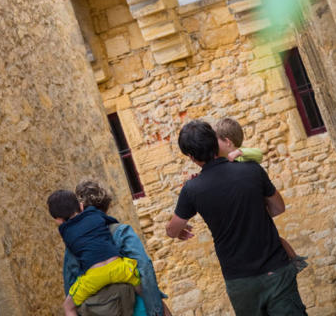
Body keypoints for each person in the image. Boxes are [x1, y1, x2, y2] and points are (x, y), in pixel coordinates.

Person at [166, 120, 307, 316]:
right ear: (215, 142)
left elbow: (172, 231)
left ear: (191, 157)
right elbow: (278, 208)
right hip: (276, 270)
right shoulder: (251, 170)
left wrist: (181, 230)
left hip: (240, 281)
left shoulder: (192, 189)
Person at [213, 117, 308, 272]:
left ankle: (294, 259)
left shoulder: (242, 155)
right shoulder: (222, 160)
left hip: (255, 202)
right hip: (247, 202)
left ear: (228, 142)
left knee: (273, 237)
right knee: (268, 236)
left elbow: (258, 154)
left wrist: (239, 152)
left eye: (217, 141)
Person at [63, 179, 169, 316]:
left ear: (80, 209)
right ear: (107, 206)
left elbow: (70, 284)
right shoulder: (121, 231)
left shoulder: (75, 241)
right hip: (136, 308)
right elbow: (144, 267)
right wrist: (156, 308)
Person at [48, 189, 141, 316]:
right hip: (119, 268)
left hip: (94, 276)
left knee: (68, 307)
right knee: (140, 286)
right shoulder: (94, 213)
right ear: (81, 206)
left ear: (58, 220)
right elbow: (111, 220)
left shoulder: (64, 231)